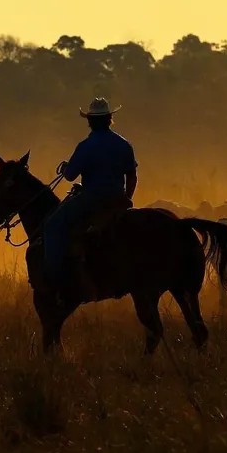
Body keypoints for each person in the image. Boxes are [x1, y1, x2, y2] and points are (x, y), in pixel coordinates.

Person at [40, 97, 137, 302]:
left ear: (90, 121)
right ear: (110, 119)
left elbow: (70, 176)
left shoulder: (86, 146)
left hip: (92, 200)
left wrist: (67, 167)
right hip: (117, 199)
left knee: (52, 226)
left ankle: (55, 283)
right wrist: (127, 198)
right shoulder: (123, 144)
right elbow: (132, 175)